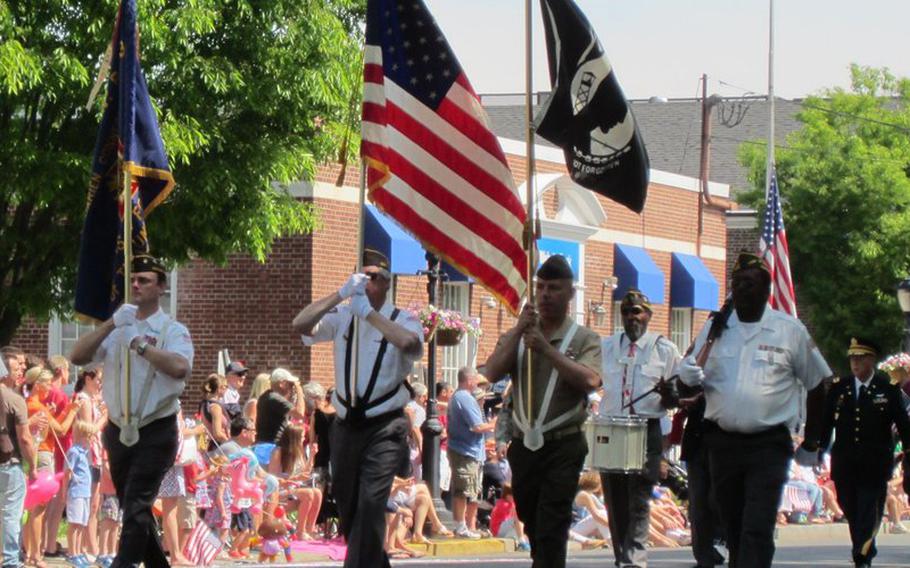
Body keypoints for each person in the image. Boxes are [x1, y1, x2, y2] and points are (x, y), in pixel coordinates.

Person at [678, 252, 831, 568]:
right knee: (733, 524)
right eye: (737, 283)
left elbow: (818, 384)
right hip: (721, 444)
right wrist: (686, 377)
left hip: (768, 445)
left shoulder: (789, 330)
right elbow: (687, 391)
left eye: (750, 283)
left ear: (767, 290)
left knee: (757, 525)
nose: (742, 289)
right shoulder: (716, 328)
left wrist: (813, 441)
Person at [293, 248, 423, 568]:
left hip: (385, 427)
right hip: (346, 427)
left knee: (371, 504)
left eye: (374, 278)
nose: (367, 284)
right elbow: (301, 324)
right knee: (350, 511)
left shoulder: (401, 319)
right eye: (362, 277)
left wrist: (369, 314)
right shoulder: (343, 317)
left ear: (388, 283)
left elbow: (411, 345)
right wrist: (340, 294)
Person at [70, 254, 194, 568]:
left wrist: (140, 345)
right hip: (118, 428)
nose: (136, 285)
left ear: (161, 286)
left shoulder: (172, 330)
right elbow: (77, 356)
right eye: (133, 280)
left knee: (137, 503)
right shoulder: (117, 327)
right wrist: (112, 324)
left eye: (145, 280)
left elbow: (180, 367)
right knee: (132, 508)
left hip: (156, 427)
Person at [485, 254, 602, 568]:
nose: (546, 294)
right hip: (525, 446)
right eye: (540, 287)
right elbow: (493, 372)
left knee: (553, 522)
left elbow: (590, 379)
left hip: (564, 443)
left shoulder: (584, 338)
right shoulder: (521, 335)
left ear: (570, 294)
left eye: (554, 288)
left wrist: (548, 350)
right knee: (533, 520)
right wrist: (520, 330)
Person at [599, 289, 680, 568]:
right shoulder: (606, 347)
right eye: (626, 311)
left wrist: (669, 393)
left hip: (648, 429)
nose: (631, 317)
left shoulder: (665, 349)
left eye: (637, 311)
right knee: (615, 498)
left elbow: (676, 397)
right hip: (612, 429)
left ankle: (634, 559)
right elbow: (592, 383)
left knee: (640, 498)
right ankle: (622, 555)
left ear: (648, 315)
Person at [815, 337, 910, 568]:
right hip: (845, 463)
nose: (855, 363)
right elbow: (826, 423)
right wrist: (819, 450)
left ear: (871, 360)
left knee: (869, 510)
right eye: (852, 359)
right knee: (851, 509)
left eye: (860, 358)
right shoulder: (839, 389)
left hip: (874, 465)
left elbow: (904, 426)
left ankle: (862, 556)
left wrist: (907, 452)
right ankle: (865, 545)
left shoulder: (887, 391)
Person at [447, 367, 496, 539]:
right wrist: (495, 423)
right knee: (463, 491)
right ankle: (461, 526)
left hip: (472, 452)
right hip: (465, 451)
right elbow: (478, 426)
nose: (478, 384)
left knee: (472, 491)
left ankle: (469, 526)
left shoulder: (461, 397)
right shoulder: (464, 398)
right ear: (469, 380)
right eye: (476, 380)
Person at [0, 353, 38, 568]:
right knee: (11, 516)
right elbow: (25, 438)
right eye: (15, 370)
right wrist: (32, 466)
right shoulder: (15, 399)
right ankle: (11, 562)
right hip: (8, 464)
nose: (19, 373)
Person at [252, 368, 307, 467]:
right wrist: (299, 390)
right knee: (272, 479)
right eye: (290, 385)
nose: (292, 388)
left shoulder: (267, 396)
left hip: (265, 445)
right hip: (270, 446)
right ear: (282, 384)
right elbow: (300, 413)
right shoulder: (274, 398)